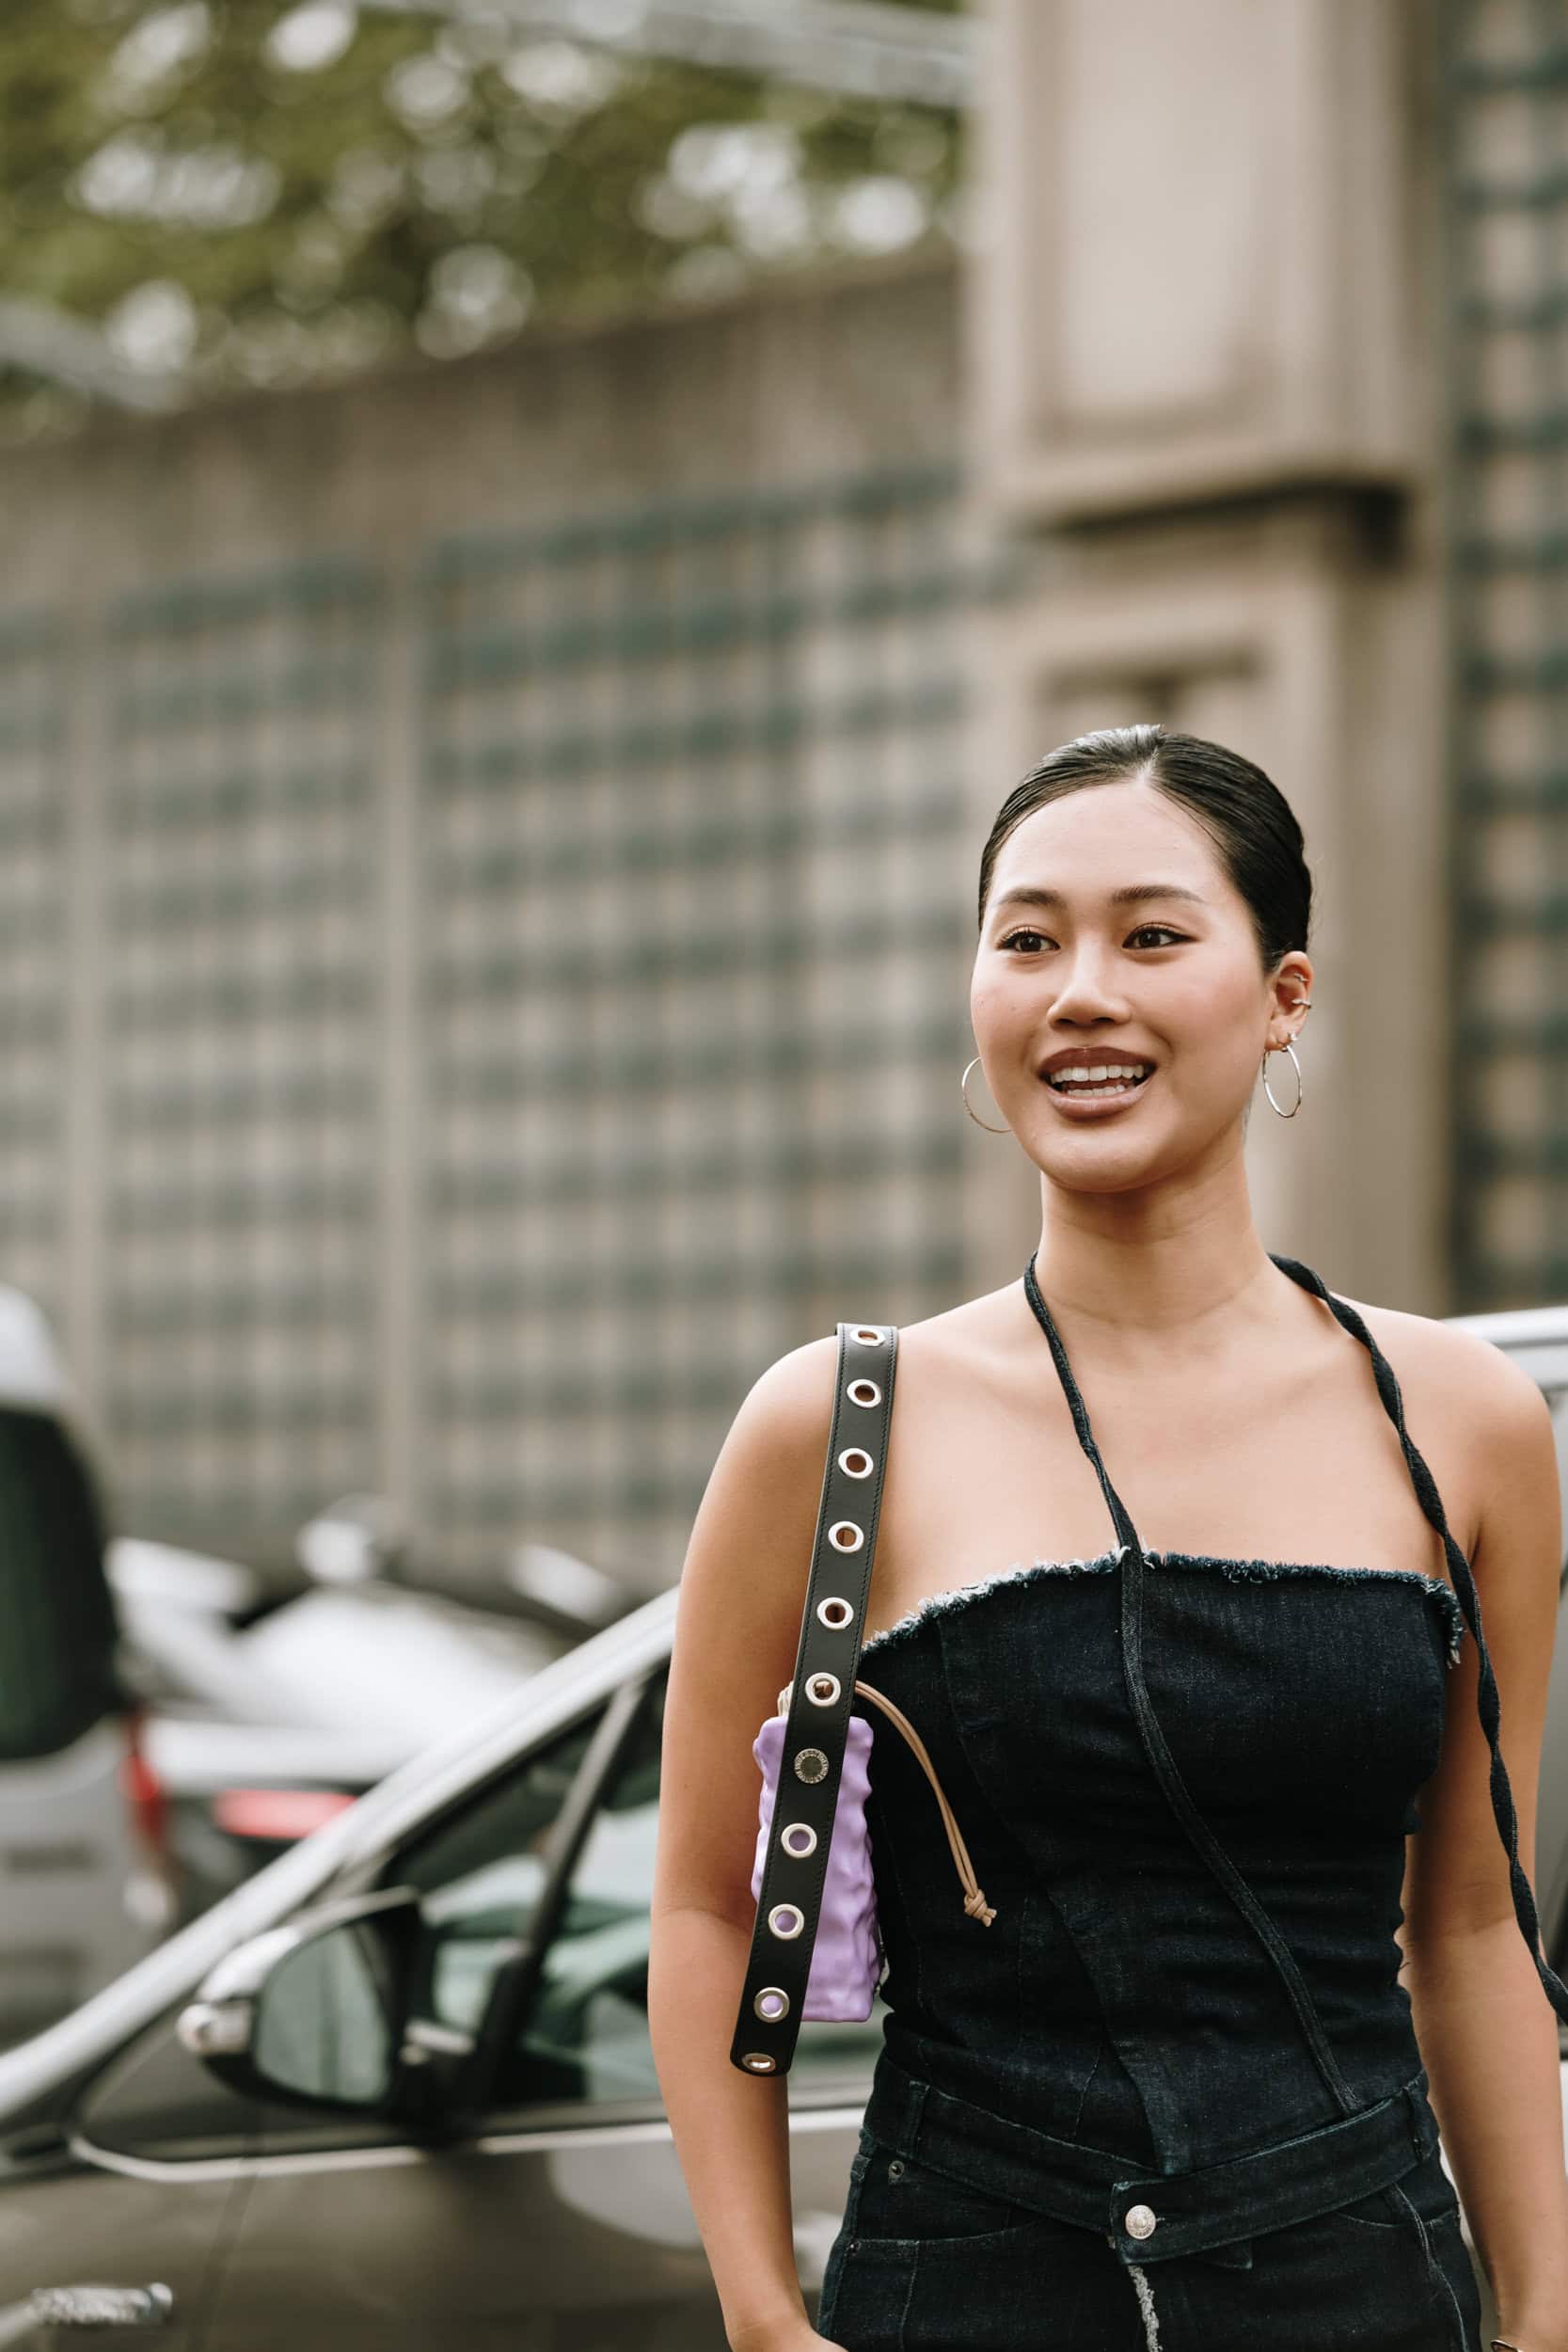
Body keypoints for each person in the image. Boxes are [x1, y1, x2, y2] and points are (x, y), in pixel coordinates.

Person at [648, 725, 1568, 2351]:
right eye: (1028, 941)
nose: (1081, 994)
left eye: (1151, 936)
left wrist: (1540, 2318)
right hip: (967, 2285)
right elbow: (712, 1906)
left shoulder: (1463, 1424)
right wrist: (764, 2321)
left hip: (1364, 2291)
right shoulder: (835, 1426)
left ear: (1283, 994)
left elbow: (1474, 1925)